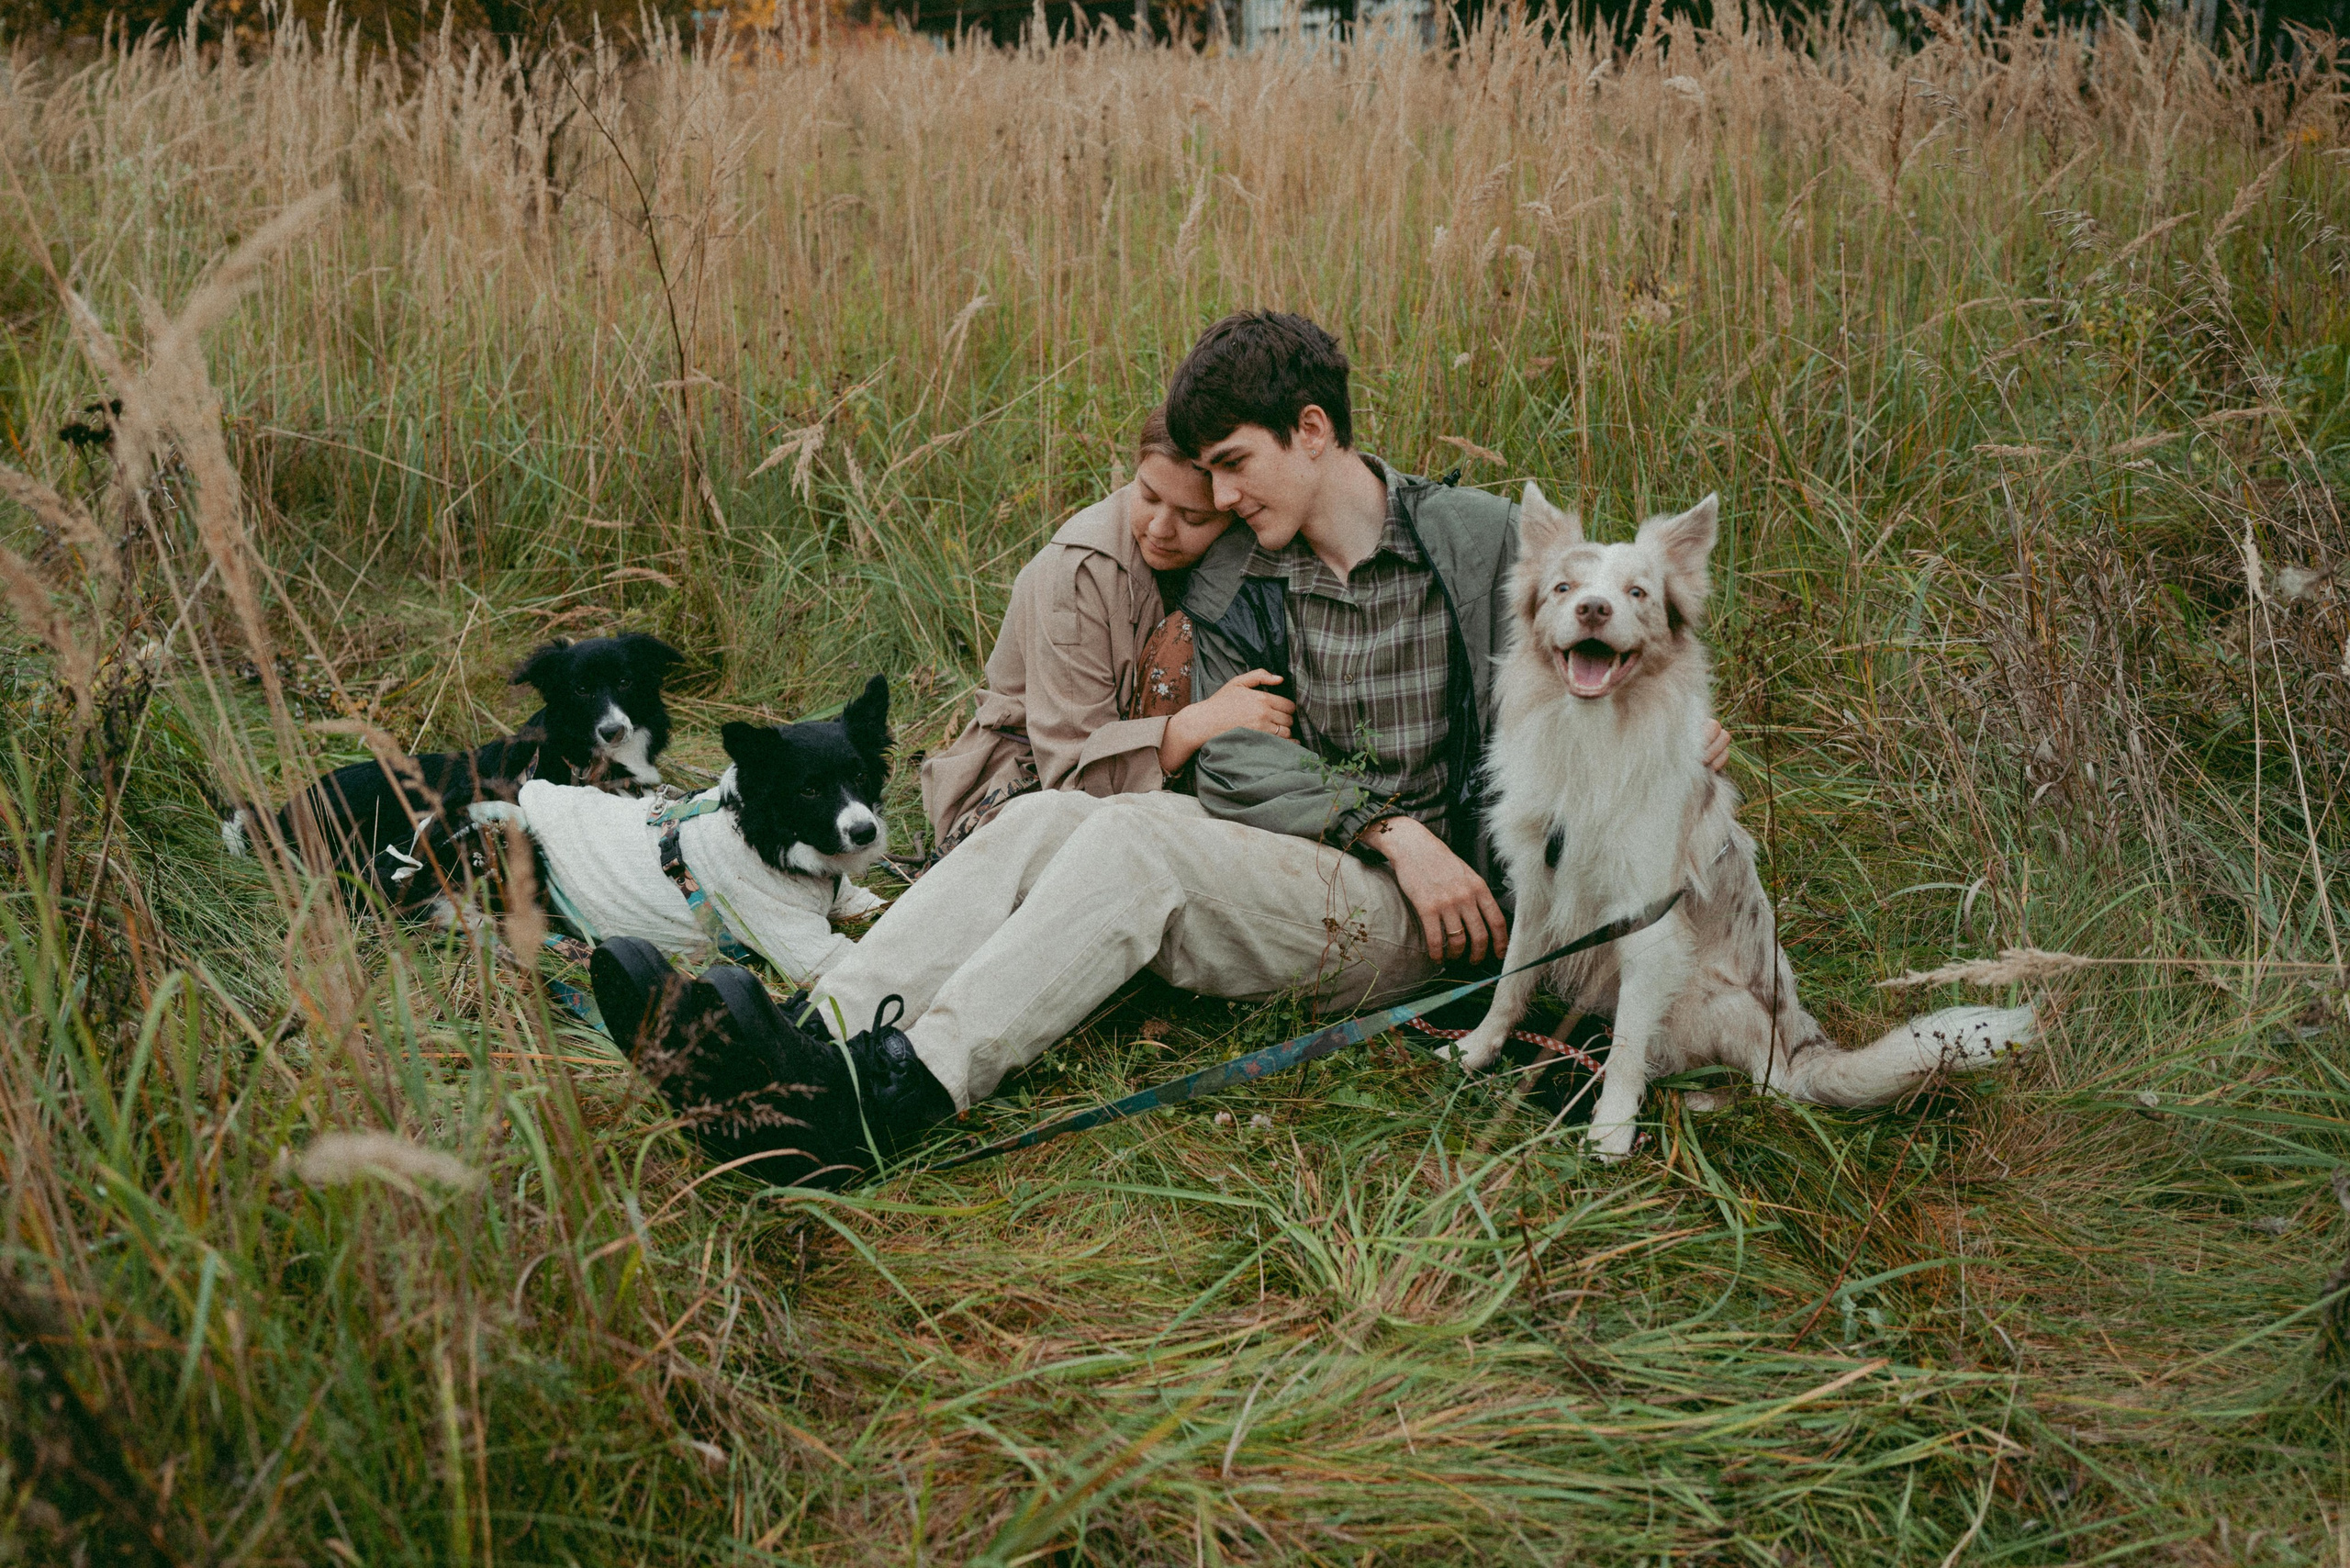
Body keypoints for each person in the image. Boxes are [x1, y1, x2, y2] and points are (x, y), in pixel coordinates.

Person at [592, 311, 1728, 1182]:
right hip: (1328, 854)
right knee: (1049, 815)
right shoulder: (1246, 573)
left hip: (1451, 914)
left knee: (1141, 847)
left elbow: (1584, 662)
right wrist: (1374, 820)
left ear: (1315, 433)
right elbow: (1233, 757)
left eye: (1236, 463)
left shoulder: (1467, 539)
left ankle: (885, 1106)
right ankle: (801, 1043)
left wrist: (1662, 732)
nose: (1221, 495)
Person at [919, 407, 1294, 860]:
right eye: (1147, 494)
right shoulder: (1076, 576)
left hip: (1146, 780)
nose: (1159, 529)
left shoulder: (1259, 537)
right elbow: (1072, 779)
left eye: (1193, 518)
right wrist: (1196, 726)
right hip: (1027, 789)